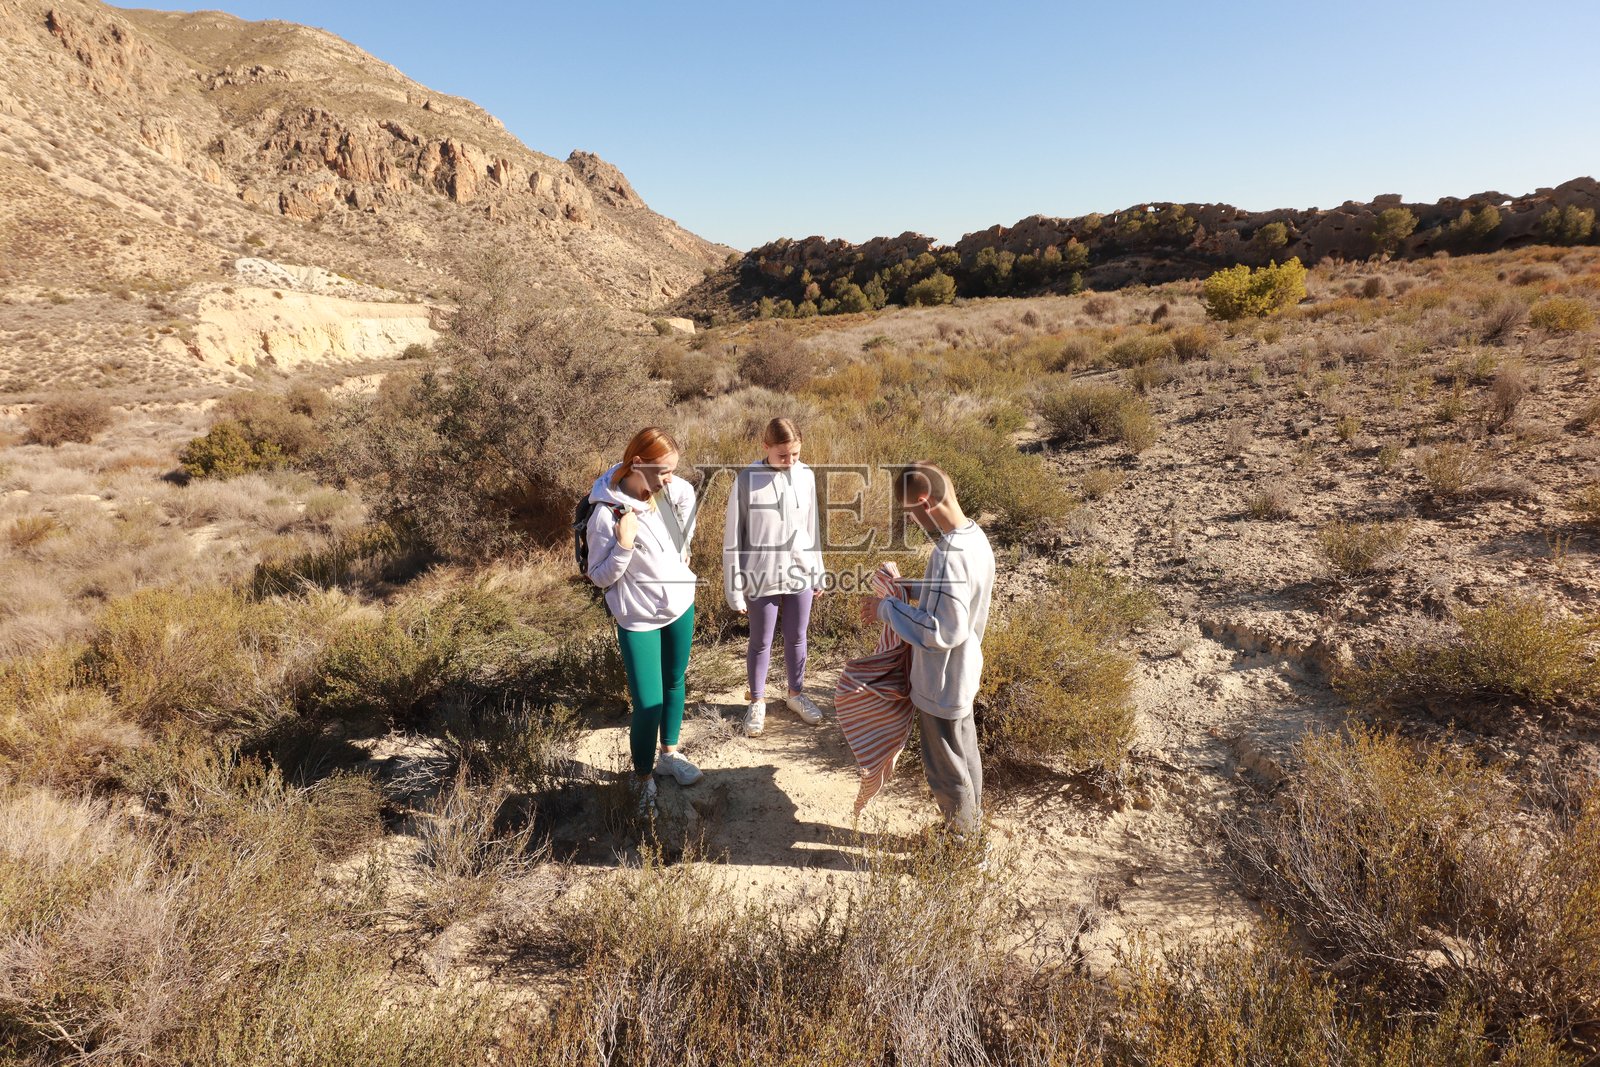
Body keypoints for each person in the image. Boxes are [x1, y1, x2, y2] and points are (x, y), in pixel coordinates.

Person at [858, 461, 994, 836]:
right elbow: (953, 596)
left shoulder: (949, 554)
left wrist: (887, 608)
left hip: (941, 681)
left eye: (910, 514)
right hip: (963, 675)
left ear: (924, 503)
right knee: (964, 757)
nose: (912, 521)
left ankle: (963, 845)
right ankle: (970, 827)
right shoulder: (974, 539)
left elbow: (941, 630)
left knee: (945, 770)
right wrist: (910, 589)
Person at [585, 427, 702, 815]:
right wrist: (623, 545)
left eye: (672, 470)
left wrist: (683, 555)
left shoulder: (666, 493)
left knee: (675, 681)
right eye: (664, 471)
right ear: (637, 463)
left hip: (680, 604)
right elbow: (599, 576)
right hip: (639, 618)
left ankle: (669, 754)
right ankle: (642, 779)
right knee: (647, 703)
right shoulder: (606, 513)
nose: (671, 479)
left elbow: (683, 522)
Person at [723, 417, 827, 738]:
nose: (790, 461)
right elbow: (733, 539)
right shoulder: (747, 480)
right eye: (783, 455)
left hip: (800, 573)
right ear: (765, 447)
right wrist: (735, 589)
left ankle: (796, 695)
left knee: (797, 637)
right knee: (760, 641)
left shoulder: (806, 476)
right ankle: (756, 702)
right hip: (760, 574)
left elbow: (812, 529)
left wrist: (818, 571)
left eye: (795, 454)